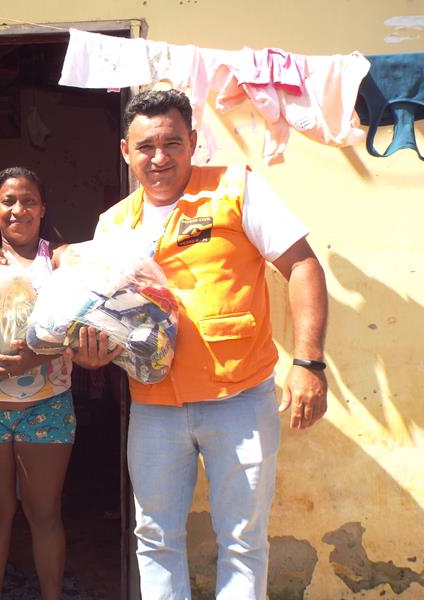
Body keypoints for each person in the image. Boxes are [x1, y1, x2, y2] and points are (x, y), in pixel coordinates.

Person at [73, 89, 328, 600]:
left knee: (242, 540)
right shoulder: (113, 224)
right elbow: (99, 313)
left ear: (193, 141)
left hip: (240, 401)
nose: (159, 157)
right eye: (146, 146)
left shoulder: (235, 189)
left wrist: (309, 362)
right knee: (155, 537)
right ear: (126, 151)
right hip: (154, 409)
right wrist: (88, 355)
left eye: (172, 142)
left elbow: (302, 264)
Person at [0, 166, 74, 600]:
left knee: (45, 515)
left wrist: (31, 357)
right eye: (8, 200)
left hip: (48, 407)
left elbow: (79, 326)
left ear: (43, 209)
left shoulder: (59, 259)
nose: (17, 209)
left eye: (27, 200)